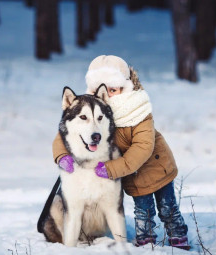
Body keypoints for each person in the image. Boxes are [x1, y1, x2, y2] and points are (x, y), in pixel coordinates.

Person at [53, 55, 190, 250]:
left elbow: (142, 147)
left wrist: (112, 168)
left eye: (114, 89)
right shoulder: (96, 110)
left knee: (168, 208)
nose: (110, 93)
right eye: (104, 89)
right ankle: (146, 241)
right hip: (133, 174)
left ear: (123, 87)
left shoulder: (137, 110)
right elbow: (64, 135)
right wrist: (62, 156)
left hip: (157, 167)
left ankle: (179, 237)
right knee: (143, 211)